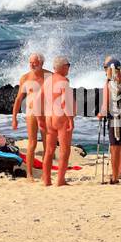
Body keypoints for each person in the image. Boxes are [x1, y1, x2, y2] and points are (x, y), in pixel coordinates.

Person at [10, 52, 50, 181]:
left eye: (35, 62)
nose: (32, 65)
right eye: (31, 62)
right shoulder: (25, 78)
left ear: (42, 63)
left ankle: (45, 173)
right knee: (32, 143)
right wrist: (14, 118)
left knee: (47, 144)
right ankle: (29, 174)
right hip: (32, 113)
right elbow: (18, 99)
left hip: (46, 113)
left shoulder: (49, 76)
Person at [41, 56, 74, 187]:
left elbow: (38, 98)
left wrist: (39, 119)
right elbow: (66, 103)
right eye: (68, 65)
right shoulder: (63, 81)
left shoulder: (48, 81)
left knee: (49, 150)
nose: (69, 68)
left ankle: (47, 180)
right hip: (61, 118)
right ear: (63, 66)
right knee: (64, 150)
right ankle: (60, 180)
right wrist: (71, 120)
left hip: (49, 117)